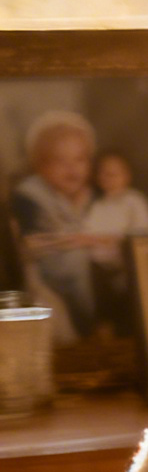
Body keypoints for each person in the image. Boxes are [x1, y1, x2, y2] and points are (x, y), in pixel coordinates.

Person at [11, 111, 102, 335]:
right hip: (45, 279)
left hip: (90, 276)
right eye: (60, 161)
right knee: (76, 261)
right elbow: (34, 245)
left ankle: (98, 323)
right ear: (40, 167)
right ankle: (88, 323)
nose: (72, 169)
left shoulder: (94, 195)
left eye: (80, 159)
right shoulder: (30, 196)